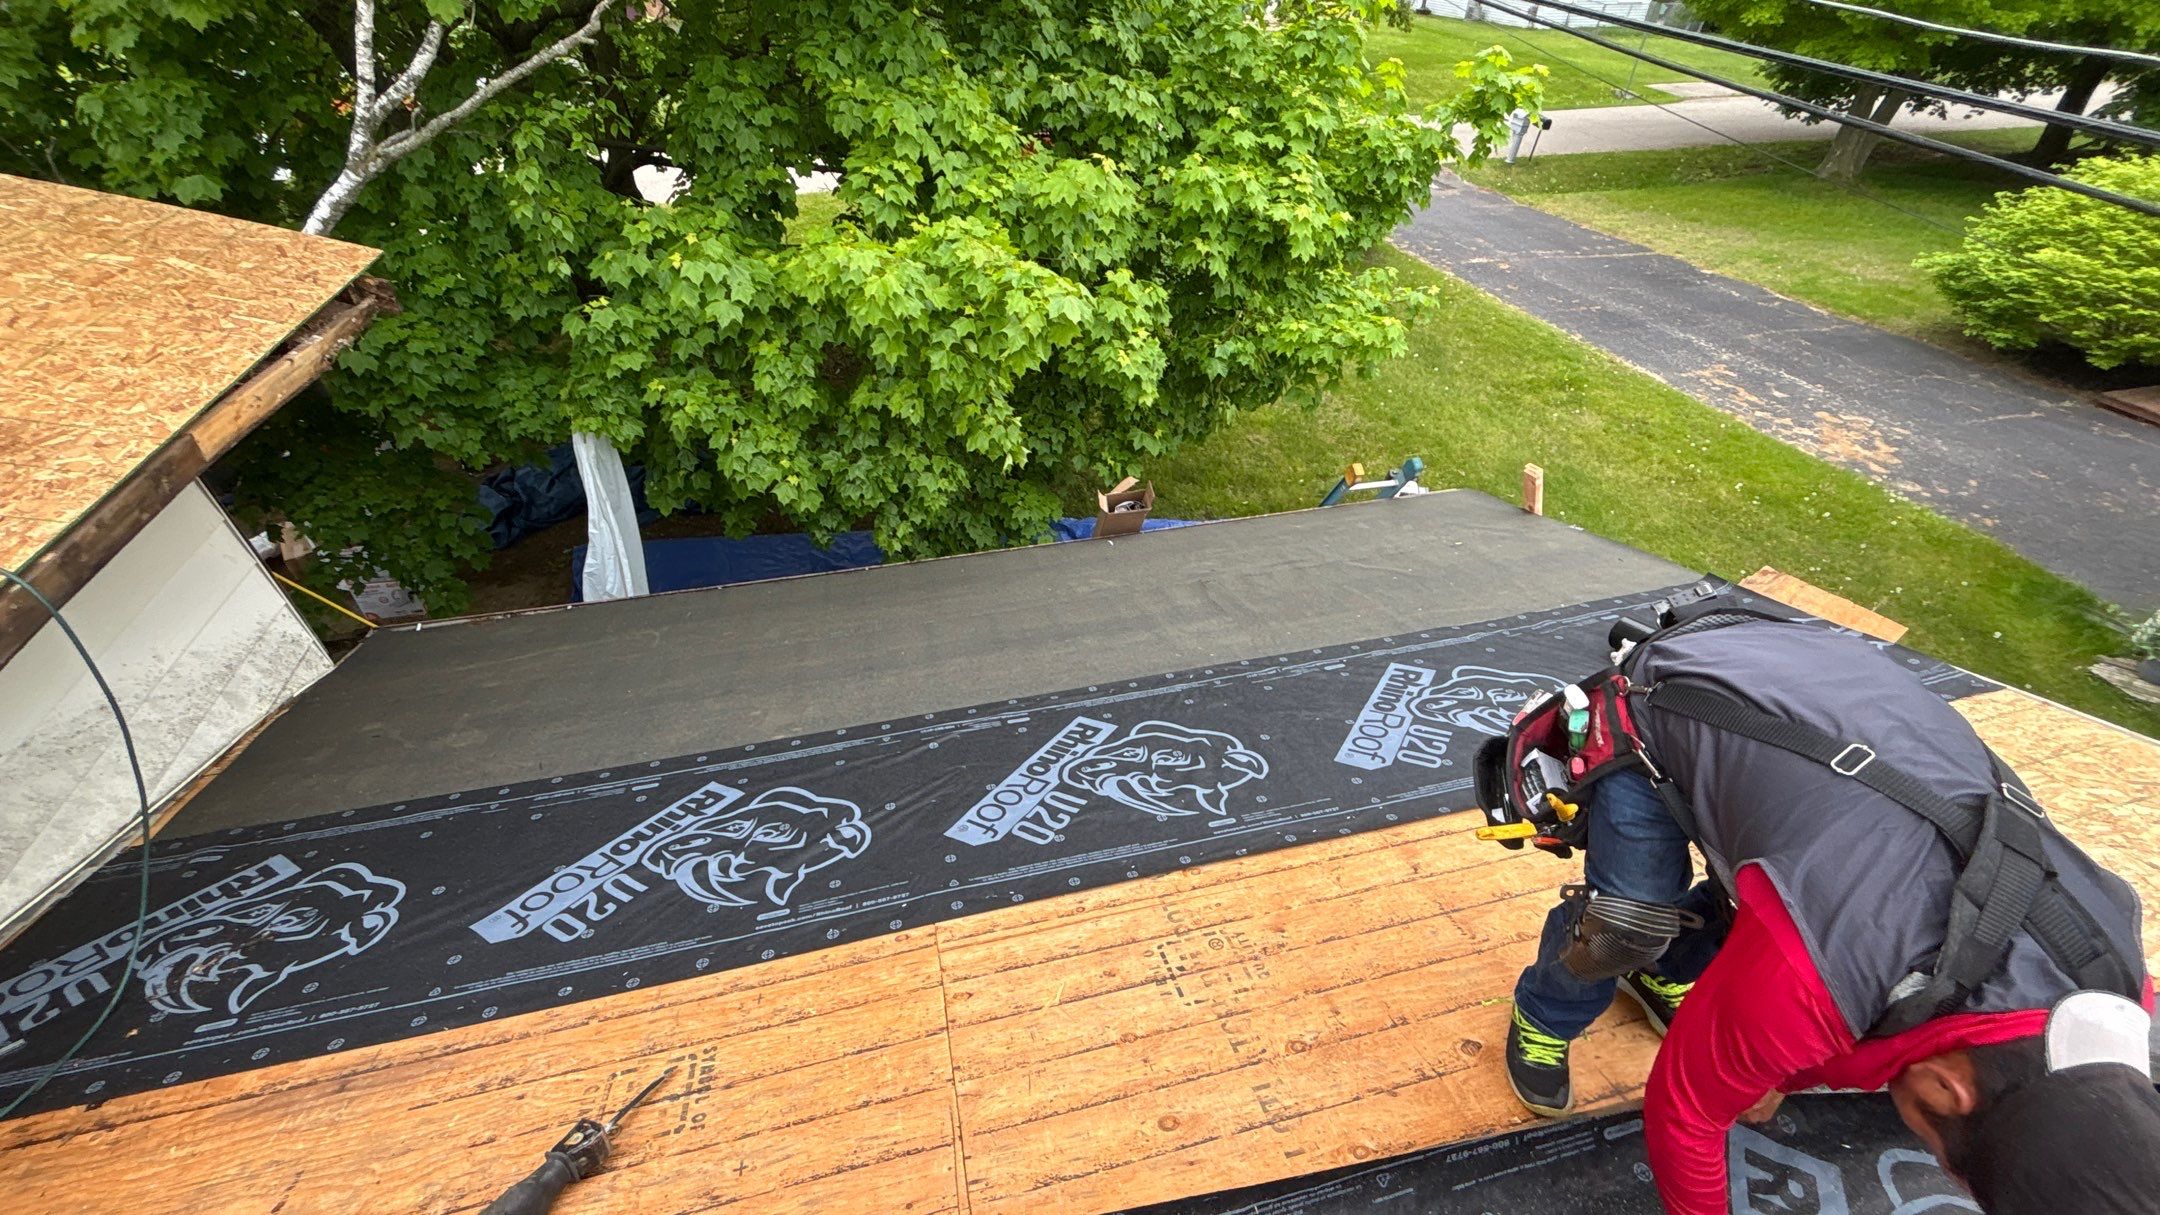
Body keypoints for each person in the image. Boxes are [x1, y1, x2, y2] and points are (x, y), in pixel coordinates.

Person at [1482, 596, 2160, 1214]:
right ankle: (1546, 1010)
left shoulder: (2122, 987)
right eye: (1947, 1162)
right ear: (1953, 1089)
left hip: (1830, 702)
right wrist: (1763, 1055)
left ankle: (1667, 966)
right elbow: (1684, 1113)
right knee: (1624, 925)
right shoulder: (1829, 967)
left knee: (1766, 908)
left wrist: (1778, 1059)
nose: (1941, 1163)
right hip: (1671, 698)